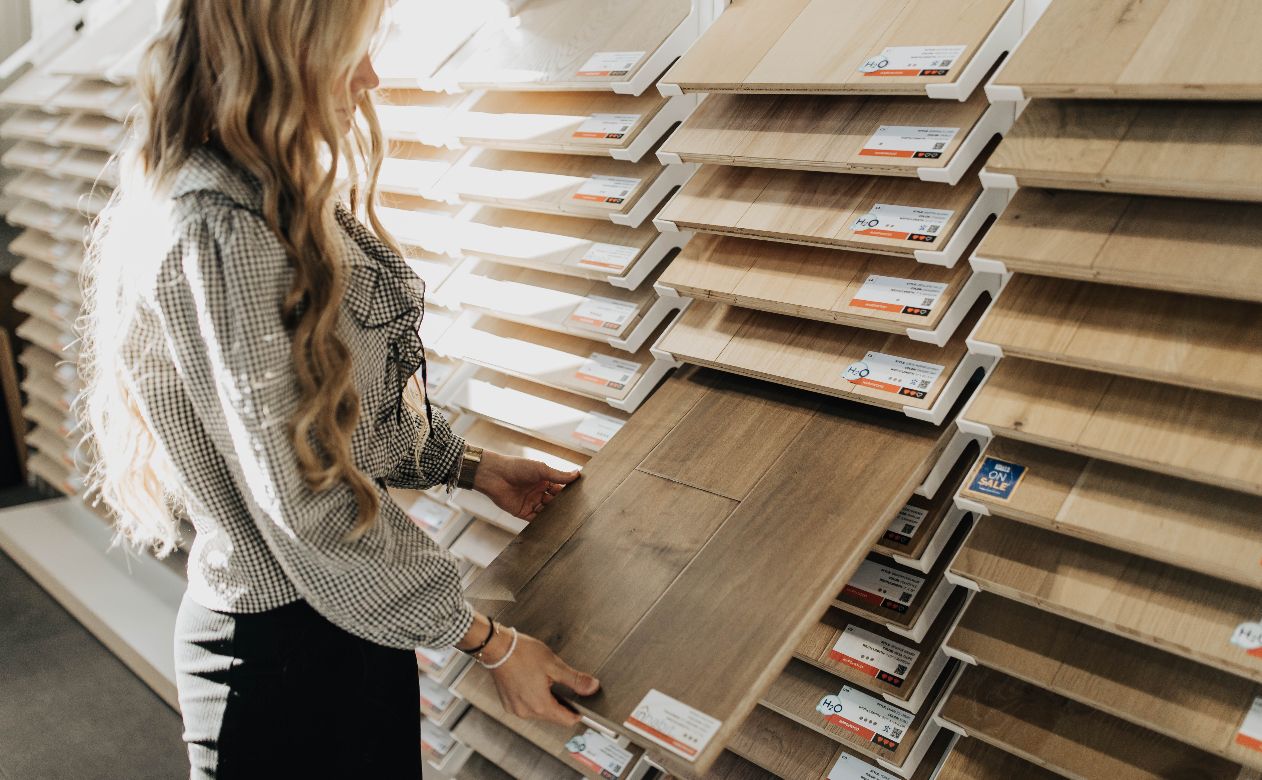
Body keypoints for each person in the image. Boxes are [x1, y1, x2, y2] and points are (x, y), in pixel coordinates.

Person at [78, 2, 599, 777]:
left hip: (329, 636)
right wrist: (491, 644)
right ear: (285, 49)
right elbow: (308, 500)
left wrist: (471, 466)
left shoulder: (249, 191)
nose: (370, 77)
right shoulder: (223, 230)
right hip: (285, 670)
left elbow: (327, 412)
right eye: (352, 51)